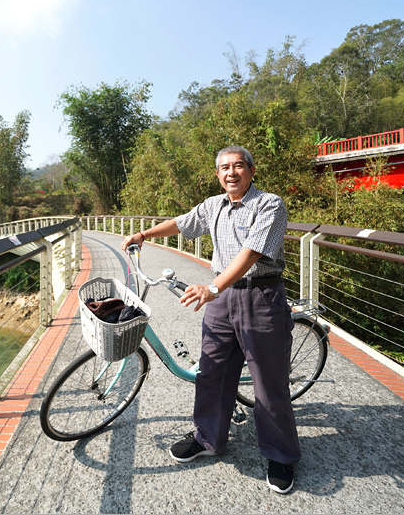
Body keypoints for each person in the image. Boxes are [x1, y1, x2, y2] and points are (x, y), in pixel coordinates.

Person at [120, 145, 300, 494]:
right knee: (212, 372)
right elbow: (182, 223)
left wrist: (213, 288)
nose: (231, 173)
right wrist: (144, 235)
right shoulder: (214, 205)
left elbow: (251, 253)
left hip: (260, 297)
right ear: (218, 174)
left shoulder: (270, 204)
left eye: (238, 166)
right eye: (224, 168)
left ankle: (280, 454)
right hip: (221, 299)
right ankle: (207, 438)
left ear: (250, 170)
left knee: (268, 382)